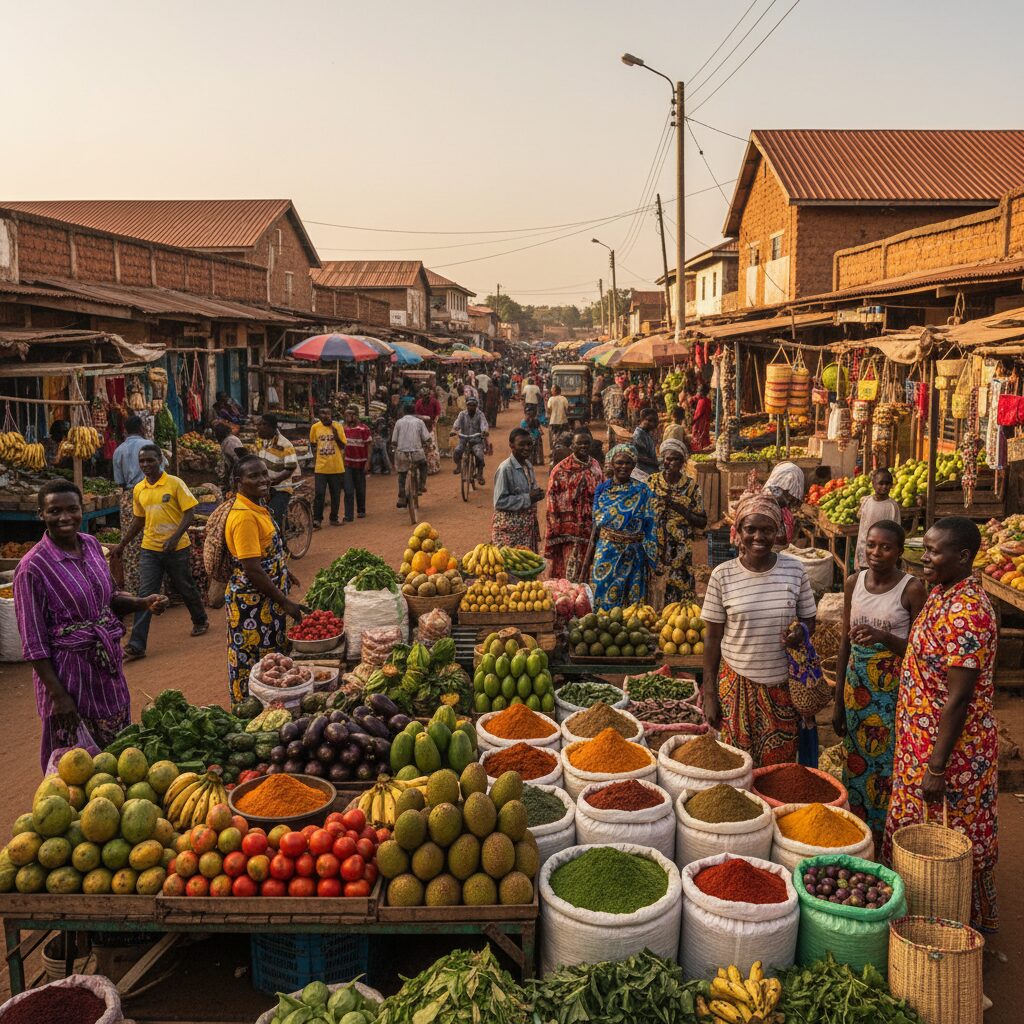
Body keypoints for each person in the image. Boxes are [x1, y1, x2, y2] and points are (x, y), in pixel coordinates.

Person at [883, 516, 1000, 934]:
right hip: (921, 739)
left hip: (951, 752)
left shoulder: (968, 612)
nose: (924, 557)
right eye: (925, 548)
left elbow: (959, 698)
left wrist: (936, 767)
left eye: (934, 551)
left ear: (964, 557)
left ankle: (949, 928)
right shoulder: (942, 593)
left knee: (946, 841)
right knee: (920, 836)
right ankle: (914, 917)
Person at [14, 480, 168, 771]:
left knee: (120, 752)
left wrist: (143, 602)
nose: (64, 517)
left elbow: (109, 597)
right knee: (77, 767)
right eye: (54, 511)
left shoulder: (92, 545)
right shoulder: (32, 568)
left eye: (72, 509)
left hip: (106, 667)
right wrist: (59, 697)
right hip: (68, 676)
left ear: (81, 510)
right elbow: (33, 644)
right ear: (40, 514)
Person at [701, 492, 817, 767]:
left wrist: (801, 631)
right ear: (738, 531)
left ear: (777, 531)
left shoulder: (795, 570)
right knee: (736, 768)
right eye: (750, 529)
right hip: (735, 686)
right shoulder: (722, 575)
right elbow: (712, 639)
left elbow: (809, 620)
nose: (758, 537)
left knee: (778, 771)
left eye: (766, 530)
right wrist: (709, 693)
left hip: (782, 689)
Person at [834, 520, 926, 847]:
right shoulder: (852, 583)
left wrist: (883, 637)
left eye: (885, 547)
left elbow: (920, 650)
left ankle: (889, 841)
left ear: (899, 552)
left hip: (893, 693)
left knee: (887, 766)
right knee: (856, 761)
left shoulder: (912, 589)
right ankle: (860, 839)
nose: (876, 553)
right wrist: (838, 701)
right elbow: (845, 643)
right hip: (856, 689)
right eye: (871, 545)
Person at [223, 455, 307, 702]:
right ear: (239, 482)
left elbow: (266, 554)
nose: (263, 480)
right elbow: (252, 569)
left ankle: (272, 706)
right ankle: (250, 710)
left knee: (271, 661)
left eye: (264, 474)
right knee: (255, 662)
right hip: (252, 605)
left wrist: (285, 572)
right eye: (254, 476)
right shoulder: (243, 517)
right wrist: (285, 601)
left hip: (266, 599)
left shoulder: (256, 506)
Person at [114, 445, 209, 659]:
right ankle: (137, 645)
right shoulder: (139, 489)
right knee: (145, 594)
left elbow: (189, 512)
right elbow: (139, 519)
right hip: (150, 548)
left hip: (177, 548)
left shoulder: (175, 483)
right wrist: (123, 543)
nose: (146, 465)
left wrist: (174, 538)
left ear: (160, 461)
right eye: (143, 461)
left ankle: (200, 619)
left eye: (150, 460)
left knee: (184, 586)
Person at [590, 445, 657, 609]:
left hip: (634, 554)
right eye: (619, 462)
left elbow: (651, 524)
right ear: (611, 464)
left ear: (634, 465)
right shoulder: (603, 489)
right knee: (603, 596)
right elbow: (596, 519)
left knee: (633, 605)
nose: (623, 467)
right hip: (607, 551)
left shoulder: (643, 490)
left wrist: (652, 556)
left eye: (628, 463)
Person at [648, 439, 707, 605]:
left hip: (680, 547)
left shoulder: (691, 486)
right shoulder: (652, 482)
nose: (670, 462)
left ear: (683, 462)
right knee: (655, 586)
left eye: (675, 459)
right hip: (655, 545)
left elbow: (701, 521)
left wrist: (675, 505)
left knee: (680, 586)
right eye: (667, 458)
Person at [544, 430, 604, 581]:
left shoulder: (596, 466)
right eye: (579, 443)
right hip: (567, 530)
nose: (583, 446)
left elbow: (602, 493)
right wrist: (555, 524)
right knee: (569, 570)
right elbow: (551, 497)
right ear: (572, 446)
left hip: (590, 527)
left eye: (586, 443)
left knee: (588, 569)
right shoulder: (560, 469)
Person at [111, 415, 149, 595]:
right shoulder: (148, 446)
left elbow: (119, 480)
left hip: (128, 496)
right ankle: (153, 587)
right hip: (149, 494)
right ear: (141, 427)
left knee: (130, 542)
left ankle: (135, 589)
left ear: (126, 430)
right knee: (151, 540)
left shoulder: (119, 450)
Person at [492, 427, 544, 550]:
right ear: (511, 445)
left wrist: (536, 495)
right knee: (509, 567)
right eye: (521, 444)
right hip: (509, 533)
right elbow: (499, 501)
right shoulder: (505, 469)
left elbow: (530, 493)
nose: (526, 448)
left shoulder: (528, 465)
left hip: (526, 530)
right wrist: (528, 498)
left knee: (527, 565)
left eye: (529, 444)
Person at [254, 414, 299, 534]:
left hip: (281, 487)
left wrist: (274, 480)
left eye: (261, 425)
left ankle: (281, 548)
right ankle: (287, 528)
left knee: (273, 520)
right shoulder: (261, 442)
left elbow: (290, 468)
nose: (258, 428)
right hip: (265, 486)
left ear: (270, 427)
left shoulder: (285, 445)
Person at [855, 468, 902, 570]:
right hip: (865, 548)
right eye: (881, 483)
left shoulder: (892, 506)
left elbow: (896, 532)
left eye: (888, 484)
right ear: (873, 484)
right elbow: (862, 525)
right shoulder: (866, 502)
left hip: (884, 552)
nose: (884, 487)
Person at [309, 406, 346, 528]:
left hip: (336, 467)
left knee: (335, 494)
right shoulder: (315, 427)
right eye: (322, 413)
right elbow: (313, 444)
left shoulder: (338, 426)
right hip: (321, 467)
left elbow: (342, 446)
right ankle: (317, 519)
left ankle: (334, 517)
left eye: (327, 413)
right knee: (319, 493)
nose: (324, 415)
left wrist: (335, 435)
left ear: (331, 414)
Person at [392, 407, 431, 508]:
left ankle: (401, 497)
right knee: (423, 465)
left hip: (402, 454)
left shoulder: (399, 422)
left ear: (404, 412)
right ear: (415, 412)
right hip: (416, 453)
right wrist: (426, 445)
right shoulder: (419, 422)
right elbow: (427, 438)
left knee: (401, 475)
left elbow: (394, 441)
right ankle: (421, 485)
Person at [341, 405, 371, 521]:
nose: (348, 417)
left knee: (360, 488)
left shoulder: (364, 429)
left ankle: (361, 510)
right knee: (348, 490)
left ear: (355, 416)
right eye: (346, 414)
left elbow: (369, 445)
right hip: (347, 463)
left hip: (360, 463)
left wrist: (368, 462)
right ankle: (348, 515)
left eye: (350, 414)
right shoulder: (343, 429)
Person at [451, 397, 489, 484]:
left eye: (473, 405)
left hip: (476, 440)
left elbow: (484, 424)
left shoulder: (480, 414)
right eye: (469, 405)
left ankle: (480, 474)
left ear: (476, 406)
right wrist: (454, 430)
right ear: (466, 405)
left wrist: (484, 431)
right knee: (457, 451)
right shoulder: (462, 414)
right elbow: (457, 424)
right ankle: (458, 466)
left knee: (479, 455)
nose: (471, 407)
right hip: (464, 439)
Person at [213, 422, 244, 490]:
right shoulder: (231, 439)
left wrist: (227, 477)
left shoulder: (229, 441)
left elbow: (234, 460)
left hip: (238, 470)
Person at [631, 407, 660, 477]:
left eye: (654, 421)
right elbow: (639, 457)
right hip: (642, 472)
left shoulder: (646, 433)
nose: (652, 423)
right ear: (641, 420)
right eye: (649, 420)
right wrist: (656, 463)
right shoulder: (639, 435)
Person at [692, 384, 712, 451]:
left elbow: (698, 414)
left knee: (698, 436)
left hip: (700, 423)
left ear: (701, 393)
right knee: (705, 435)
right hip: (706, 421)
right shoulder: (708, 400)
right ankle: (705, 448)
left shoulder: (701, 401)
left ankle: (699, 450)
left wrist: (693, 420)